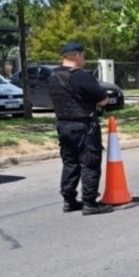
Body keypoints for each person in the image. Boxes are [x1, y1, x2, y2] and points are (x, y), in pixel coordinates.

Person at [48, 42, 113, 215]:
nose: (84, 60)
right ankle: (90, 202)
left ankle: (69, 201)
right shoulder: (82, 76)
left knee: (70, 163)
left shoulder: (53, 76)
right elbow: (103, 100)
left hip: (63, 125)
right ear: (77, 56)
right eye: (83, 56)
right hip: (84, 126)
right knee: (89, 164)